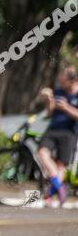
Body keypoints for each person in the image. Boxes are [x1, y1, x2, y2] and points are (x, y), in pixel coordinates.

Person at [37, 66, 78, 206]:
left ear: (73, 80)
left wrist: (66, 107)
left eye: (64, 79)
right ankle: (60, 188)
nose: (61, 81)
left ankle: (49, 195)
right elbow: (49, 113)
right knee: (42, 153)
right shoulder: (59, 91)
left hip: (69, 133)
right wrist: (49, 99)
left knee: (61, 166)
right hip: (53, 130)